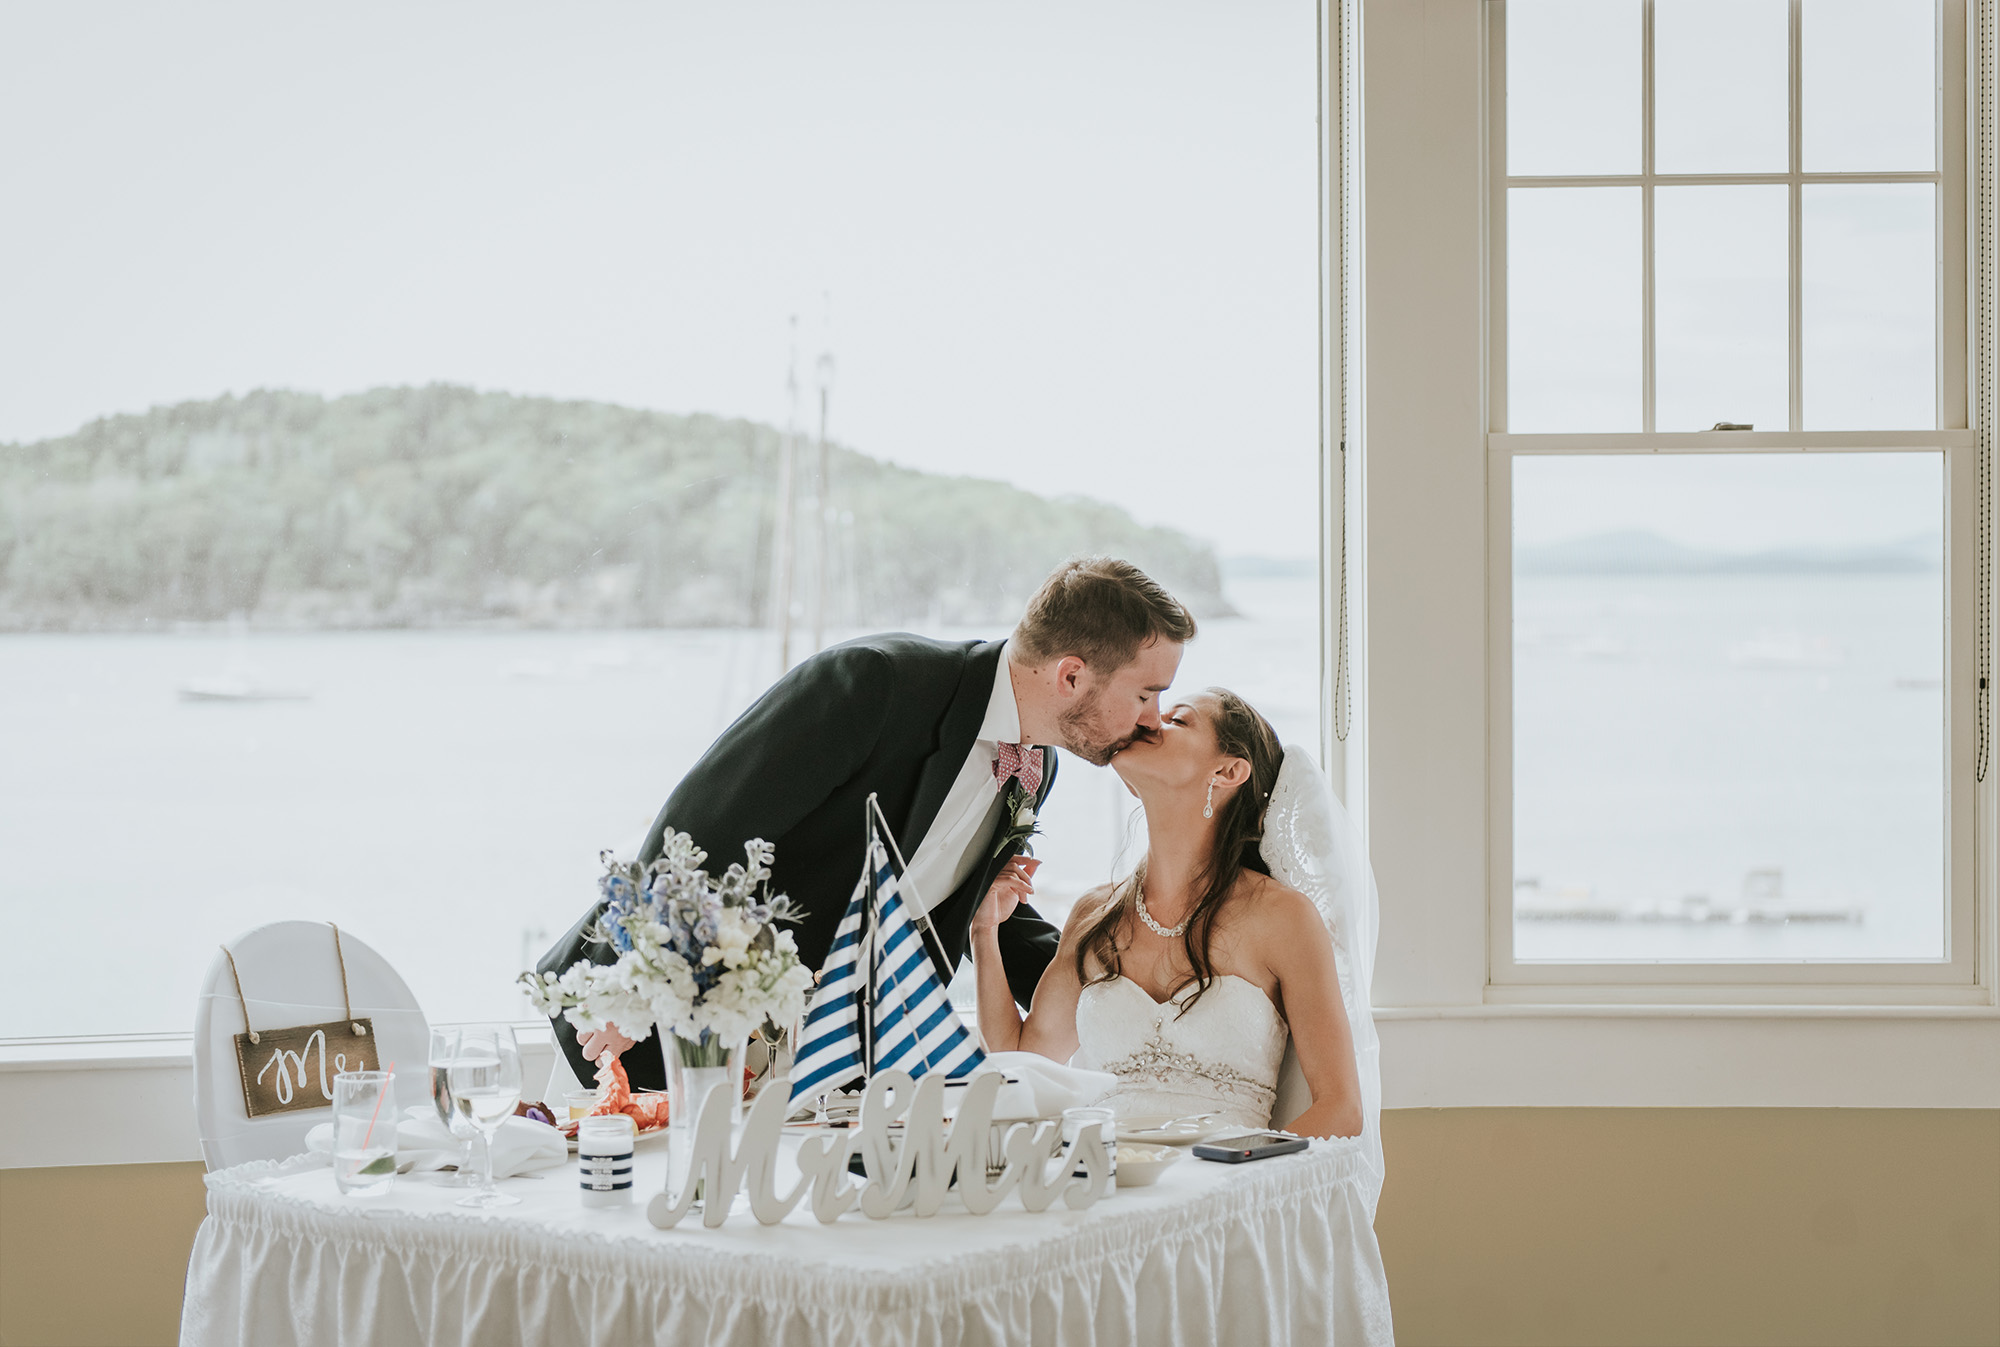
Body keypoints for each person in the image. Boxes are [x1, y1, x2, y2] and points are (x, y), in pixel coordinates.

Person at [538, 555, 1198, 1091]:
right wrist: (641, 987)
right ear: (1072, 674)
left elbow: (983, 906)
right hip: (636, 1042)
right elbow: (696, 832)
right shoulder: (874, 685)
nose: (1152, 718)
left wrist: (1123, 1001)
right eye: (1146, 693)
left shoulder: (1034, 768)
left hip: (812, 1074)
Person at [970, 688, 1365, 1138]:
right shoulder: (1095, 915)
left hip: (1227, 1189)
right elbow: (1019, 1058)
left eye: (1178, 720)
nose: (1150, 721)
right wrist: (984, 931)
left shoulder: (1283, 918)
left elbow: (1341, 1108)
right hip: (1102, 1184)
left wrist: (1237, 1180)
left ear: (1228, 771)